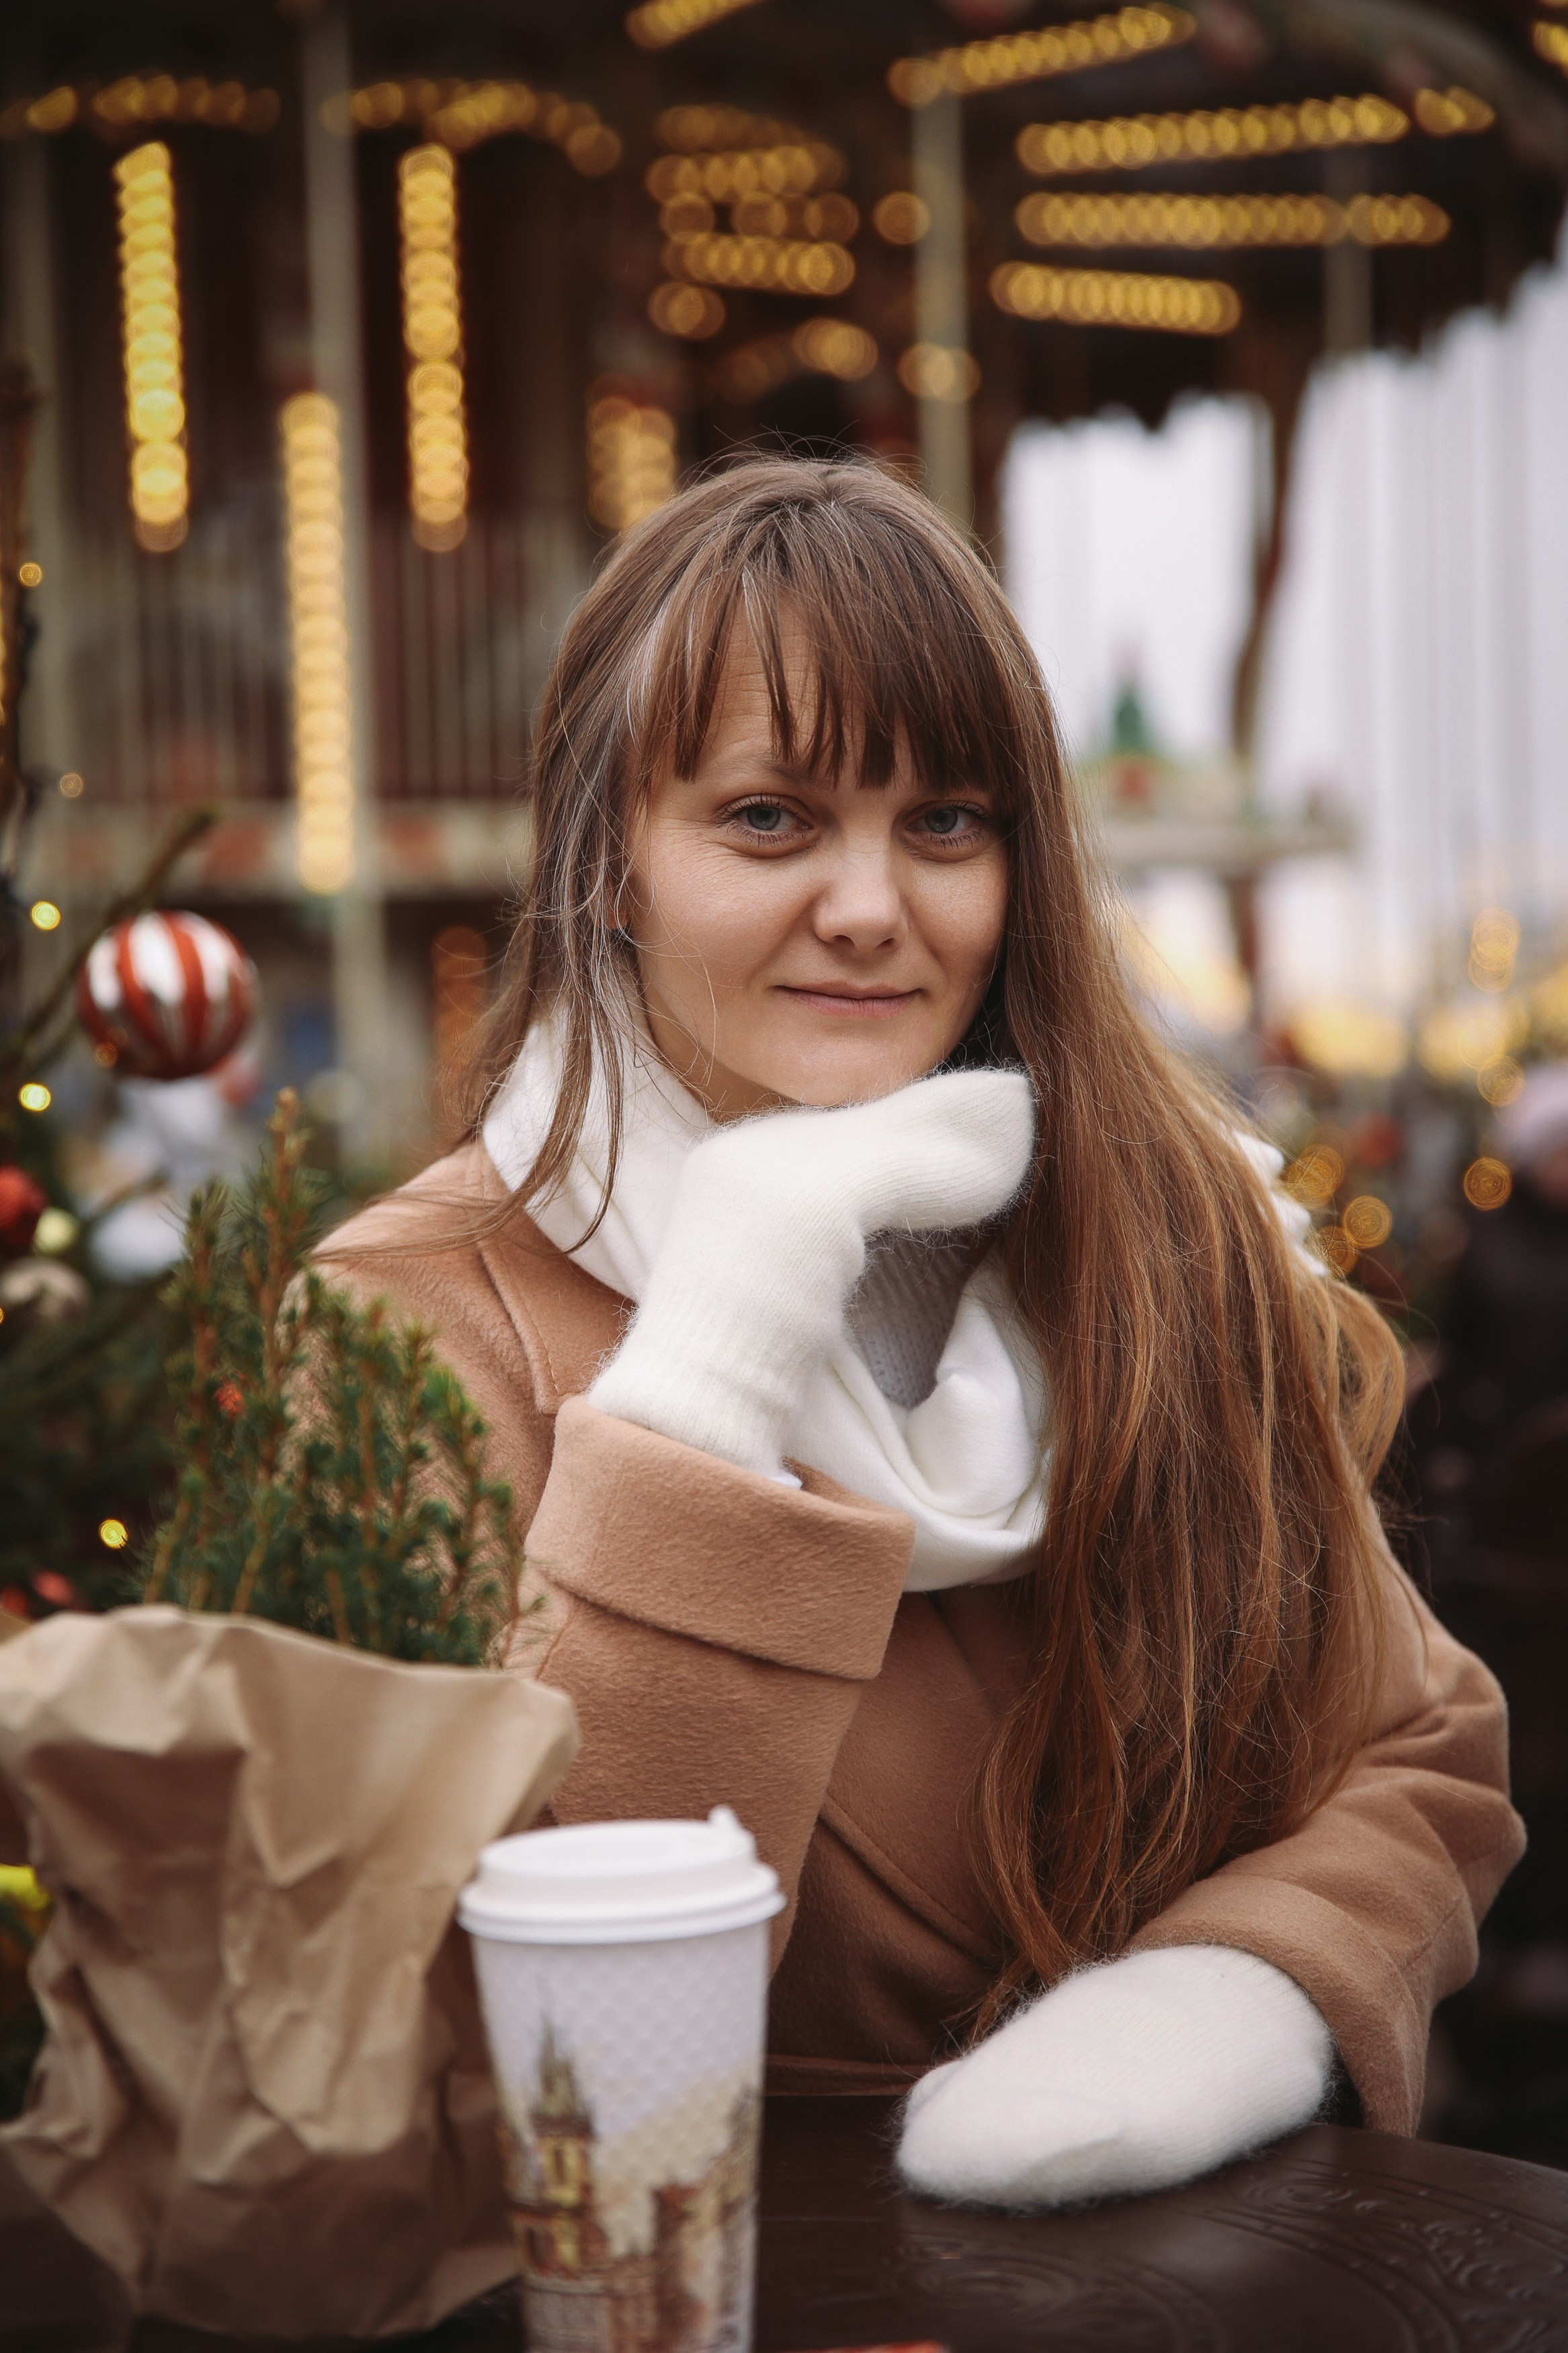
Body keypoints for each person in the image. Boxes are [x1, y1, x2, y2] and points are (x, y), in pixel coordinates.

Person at [327, 457, 1520, 2209]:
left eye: (946, 821)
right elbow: (490, 2015)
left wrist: (1226, 2001)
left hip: (1202, 2281)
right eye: (767, 818)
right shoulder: (413, 1321)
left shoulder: (1174, 1242)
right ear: (611, 862)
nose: (877, 903)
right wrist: (719, 1352)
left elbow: (1413, 1751)